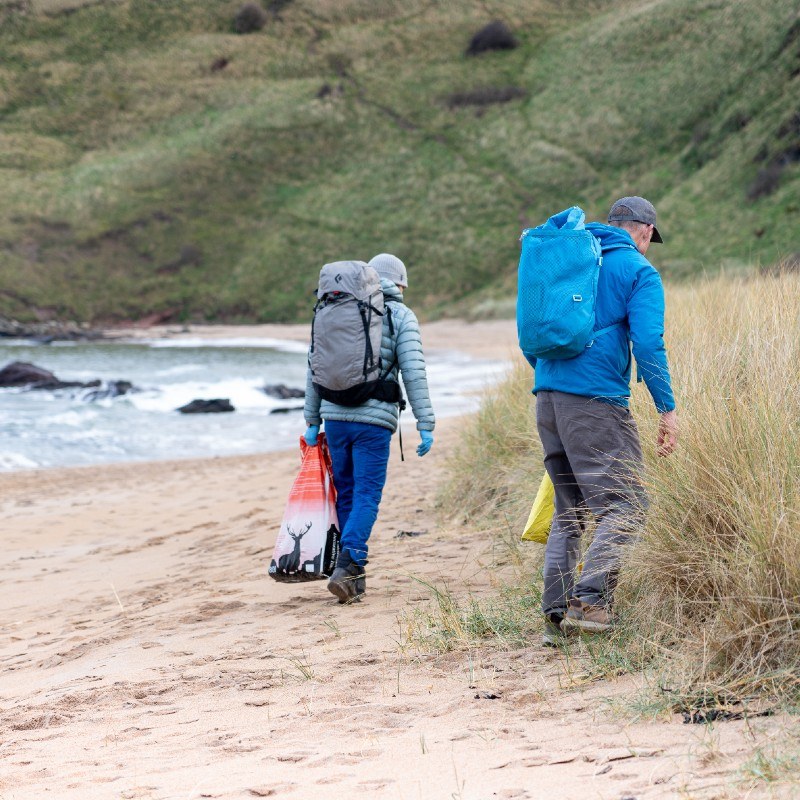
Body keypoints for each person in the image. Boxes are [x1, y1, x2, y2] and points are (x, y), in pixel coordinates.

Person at [527, 196, 678, 644]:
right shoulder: (638, 271)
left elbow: (534, 333)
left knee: (570, 508)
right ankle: (590, 601)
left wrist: (551, 379)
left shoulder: (570, 260)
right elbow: (649, 345)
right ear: (646, 231)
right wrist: (667, 410)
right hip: (595, 402)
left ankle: (555, 616)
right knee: (628, 505)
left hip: (547, 399)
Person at [303, 253, 435, 604]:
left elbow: (314, 365)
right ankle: (348, 563)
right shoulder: (401, 315)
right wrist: (426, 423)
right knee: (366, 494)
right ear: (399, 282)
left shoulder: (335, 310)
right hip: (373, 422)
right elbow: (414, 371)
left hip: (335, 418)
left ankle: (352, 575)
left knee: (346, 492)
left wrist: (312, 420)